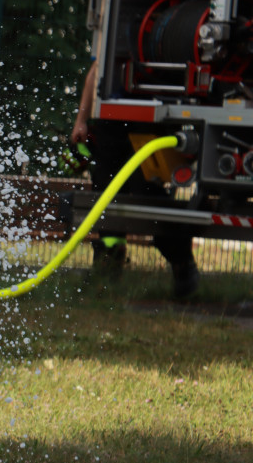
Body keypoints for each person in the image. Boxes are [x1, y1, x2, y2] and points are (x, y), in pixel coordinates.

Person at [71, 62, 199, 296]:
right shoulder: (114, 41)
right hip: (110, 120)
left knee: (147, 193)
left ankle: (181, 263)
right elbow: (96, 70)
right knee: (105, 195)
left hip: (152, 121)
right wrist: (81, 121)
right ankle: (107, 268)